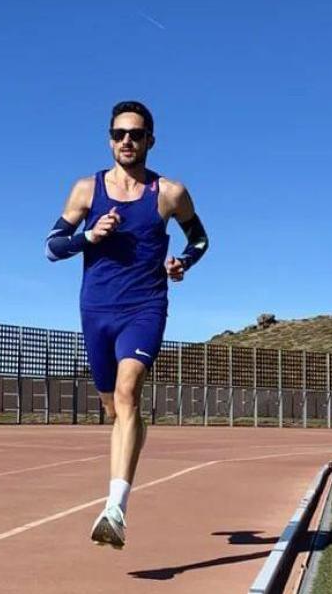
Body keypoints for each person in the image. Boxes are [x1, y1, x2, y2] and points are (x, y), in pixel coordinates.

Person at [45, 100, 210, 549]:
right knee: (115, 410)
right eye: (119, 134)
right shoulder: (86, 189)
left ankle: (115, 509)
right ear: (109, 138)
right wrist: (89, 237)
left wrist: (184, 263)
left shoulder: (170, 193)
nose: (127, 141)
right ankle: (133, 434)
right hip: (96, 312)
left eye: (136, 134)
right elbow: (51, 246)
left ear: (150, 140)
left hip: (145, 307)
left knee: (128, 391)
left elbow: (200, 237)